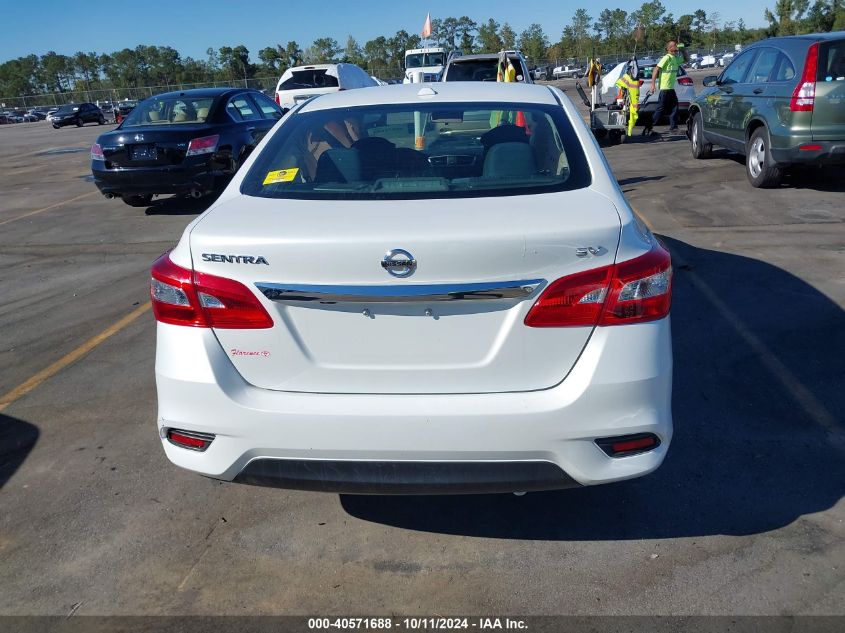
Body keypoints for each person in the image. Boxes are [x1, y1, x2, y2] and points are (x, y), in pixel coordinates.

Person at [645, 40, 688, 136]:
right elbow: (656, 69)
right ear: (669, 48)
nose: (676, 46)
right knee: (661, 109)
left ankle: (673, 128)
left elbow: (686, 59)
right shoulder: (666, 58)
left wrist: (683, 49)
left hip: (670, 89)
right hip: (665, 89)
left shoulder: (675, 58)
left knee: (674, 108)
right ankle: (648, 128)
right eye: (674, 45)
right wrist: (652, 84)